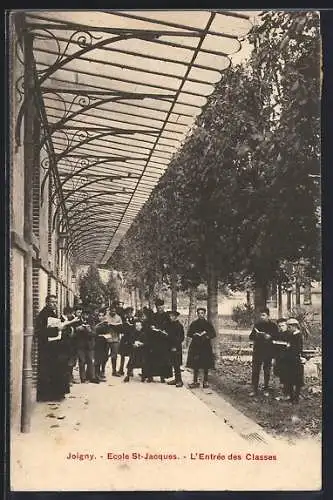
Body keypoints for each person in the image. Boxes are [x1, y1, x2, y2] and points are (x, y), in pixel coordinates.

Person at [35, 295, 79, 401]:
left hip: (53, 346)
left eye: (55, 302)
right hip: (47, 348)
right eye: (52, 302)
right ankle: (47, 396)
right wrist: (57, 328)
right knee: (48, 371)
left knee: (55, 370)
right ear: (47, 303)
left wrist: (62, 327)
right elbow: (40, 332)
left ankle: (55, 395)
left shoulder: (52, 314)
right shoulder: (43, 315)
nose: (54, 304)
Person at [249, 307, 279, 397]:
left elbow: (277, 337)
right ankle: (254, 389)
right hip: (258, 351)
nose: (262, 317)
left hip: (268, 351)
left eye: (263, 315)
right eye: (260, 315)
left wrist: (270, 336)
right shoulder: (257, 325)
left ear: (268, 316)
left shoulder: (273, 326)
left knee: (267, 370)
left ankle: (266, 388)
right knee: (255, 370)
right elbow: (251, 336)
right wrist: (257, 335)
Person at [186, 307, 216, 389]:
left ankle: (205, 381)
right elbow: (189, 333)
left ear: (204, 314)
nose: (200, 315)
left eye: (202, 313)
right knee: (195, 364)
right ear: (197, 314)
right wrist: (194, 334)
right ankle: (195, 381)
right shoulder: (194, 323)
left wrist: (206, 335)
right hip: (196, 346)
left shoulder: (208, 324)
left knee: (205, 364)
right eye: (199, 313)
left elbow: (213, 334)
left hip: (205, 346)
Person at [146, 298, 173, 383]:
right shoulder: (152, 316)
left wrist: (165, 331)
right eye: (158, 307)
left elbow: (170, 327)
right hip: (154, 340)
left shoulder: (167, 316)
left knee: (163, 359)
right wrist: (151, 327)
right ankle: (150, 376)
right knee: (152, 358)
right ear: (156, 307)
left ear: (163, 307)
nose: (160, 309)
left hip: (163, 341)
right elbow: (148, 325)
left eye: (161, 307)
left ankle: (162, 376)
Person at [282, 318, 305, 403]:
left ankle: (296, 397)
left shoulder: (298, 335)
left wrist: (289, 347)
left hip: (295, 360)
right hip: (289, 360)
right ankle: (291, 397)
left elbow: (298, 349)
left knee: (297, 380)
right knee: (289, 379)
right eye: (288, 327)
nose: (288, 328)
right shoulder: (290, 335)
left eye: (290, 327)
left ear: (295, 326)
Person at [75, 308, 99, 384]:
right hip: (80, 344)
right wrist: (78, 329)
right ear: (82, 314)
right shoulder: (77, 321)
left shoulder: (91, 322)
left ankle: (92, 377)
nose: (86, 316)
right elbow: (73, 333)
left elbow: (94, 334)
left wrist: (89, 331)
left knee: (91, 361)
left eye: (87, 315)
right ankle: (83, 378)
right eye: (84, 314)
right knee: (82, 361)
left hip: (89, 345)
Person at [123, 318, 149, 383]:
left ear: (141, 326)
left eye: (139, 325)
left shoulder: (144, 334)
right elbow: (130, 341)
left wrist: (141, 344)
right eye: (136, 326)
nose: (138, 327)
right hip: (134, 351)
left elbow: (147, 342)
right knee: (131, 362)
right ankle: (128, 375)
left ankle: (143, 376)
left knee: (143, 363)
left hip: (141, 351)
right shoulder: (132, 333)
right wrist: (133, 344)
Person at [60, 305, 78, 386]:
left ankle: (70, 377)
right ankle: (67, 380)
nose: (73, 316)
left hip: (72, 344)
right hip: (64, 345)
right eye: (71, 314)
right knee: (66, 363)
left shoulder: (71, 320)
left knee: (71, 362)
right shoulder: (61, 320)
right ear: (67, 313)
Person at [166, 310, 185, 387]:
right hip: (170, 346)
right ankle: (176, 379)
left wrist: (175, 346)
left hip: (176, 347)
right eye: (170, 316)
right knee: (174, 363)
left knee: (177, 364)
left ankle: (180, 380)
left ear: (175, 317)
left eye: (172, 316)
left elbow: (181, 338)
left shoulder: (179, 325)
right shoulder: (171, 325)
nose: (171, 317)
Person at [104, 303, 123, 376]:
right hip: (107, 338)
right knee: (104, 355)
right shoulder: (106, 317)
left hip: (115, 339)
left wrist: (115, 326)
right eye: (112, 311)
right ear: (109, 311)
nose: (113, 312)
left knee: (114, 356)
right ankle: (102, 370)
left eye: (114, 311)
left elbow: (121, 328)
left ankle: (114, 371)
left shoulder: (118, 318)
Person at [118, 307, 135, 376]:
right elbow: (122, 330)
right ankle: (121, 369)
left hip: (132, 339)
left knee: (132, 355)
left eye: (131, 313)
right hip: (125, 339)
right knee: (122, 355)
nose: (130, 314)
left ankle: (130, 370)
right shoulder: (124, 321)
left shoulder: (134, 320)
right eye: (128, 313)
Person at [94, 309, 109, 381]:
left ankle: (102, 372)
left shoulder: (106, 324)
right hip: (97, 343)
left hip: (105, 343)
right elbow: (94, 333)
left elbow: (109, 334)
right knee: (98, 358)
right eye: (99, 316)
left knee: (105, 358)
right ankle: (97, 374)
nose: (101, 317)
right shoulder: (96, 324)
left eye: (102, 316)